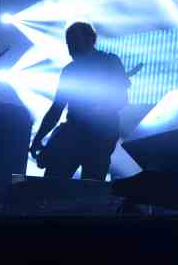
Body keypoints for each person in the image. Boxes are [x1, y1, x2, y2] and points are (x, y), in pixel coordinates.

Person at [30, 22, 130, 181]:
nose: (70, 48)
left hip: (100, 137)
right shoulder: (70, 70)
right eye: (69, 43)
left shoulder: (109, 61)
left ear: (91, 40)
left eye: (75, 42)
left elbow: (122, 99)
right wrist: (38, 138)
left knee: (86, 187)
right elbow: (57, 108)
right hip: (78, 135)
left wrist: (100, 110)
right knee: (56, 184)